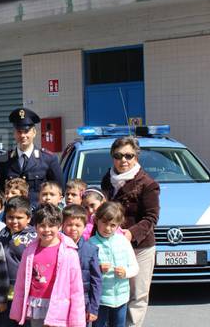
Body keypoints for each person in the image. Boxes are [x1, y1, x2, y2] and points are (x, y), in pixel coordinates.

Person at [100, 136, 160, 327]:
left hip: (139, 247)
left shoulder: (148, 184)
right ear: (112, 157)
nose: (123, 160)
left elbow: (151, 218)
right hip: (109, 244)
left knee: (136, 295)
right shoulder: (107, 180)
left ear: (136, 157)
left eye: (128, 155)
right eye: (118, 155)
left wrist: (130, 234)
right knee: (111, 292)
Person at [9, 205, 85, 327]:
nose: (47, 230)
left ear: (60, 226)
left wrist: (77, 319)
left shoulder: (69, 252)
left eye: (51, 226)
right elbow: (21, 282)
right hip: (37, 304)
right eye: (42, 226)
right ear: (36, 227)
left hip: (59, 307)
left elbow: (76, 288)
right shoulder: (29, 251)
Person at [0, 108, 64, 209]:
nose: (23, 135)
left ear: (34, 133)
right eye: (19, 131)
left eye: (26, 131)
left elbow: (59, 189)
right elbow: (0, 191)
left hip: (39, 216)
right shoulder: (4, 160)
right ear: (14, 134)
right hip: (13, 215)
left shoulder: (48, 159)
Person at [88, 202, 139, 327]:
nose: (108, 228)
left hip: (121, 297)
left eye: (113, 225)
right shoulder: (90, 243)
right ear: (96, 220)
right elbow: (84, 271)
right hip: (100, 299)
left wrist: (126, 272)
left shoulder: (123, 242)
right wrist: (98, 269)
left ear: (118, 226)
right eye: (104, 223)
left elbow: (135, 267)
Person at [0, 196, 36, 327]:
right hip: (4, 288)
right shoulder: (3, 233)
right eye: (10, 217)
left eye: (19, 218)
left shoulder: (33, 237)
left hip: (25, 290)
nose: (14, 221)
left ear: (29, 218)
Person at [62, 205, 102, 325]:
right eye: (69, 225)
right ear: (62, 225)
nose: (73, 228)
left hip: (83, 303)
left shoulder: (91, 250)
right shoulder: (57, 247)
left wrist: (93, 308)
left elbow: (96, 281)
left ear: (85, 227)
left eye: (78, 225)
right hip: (60, 302)